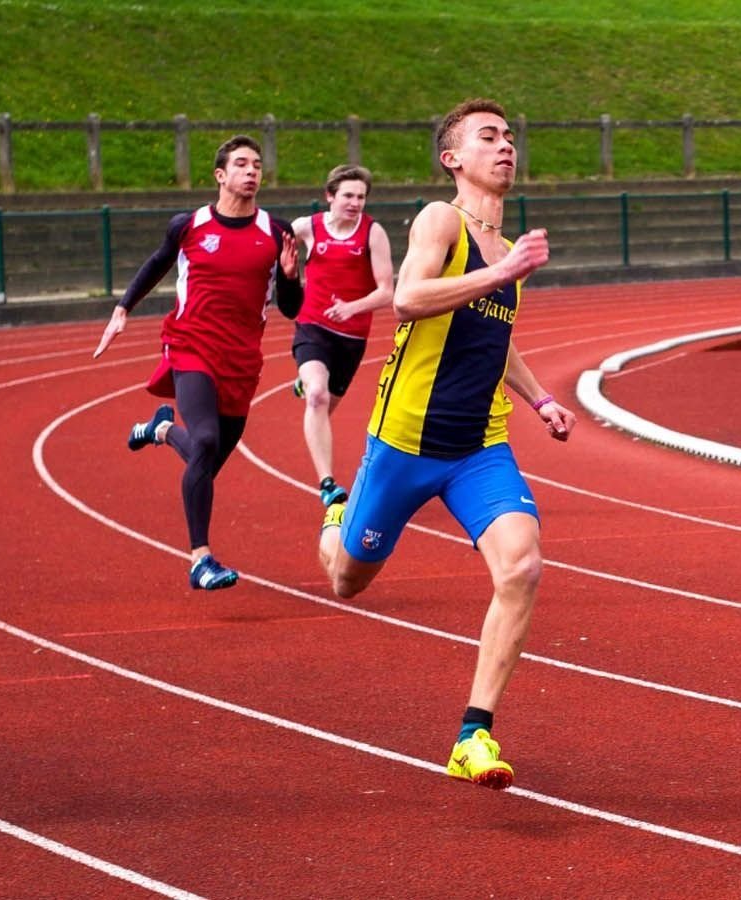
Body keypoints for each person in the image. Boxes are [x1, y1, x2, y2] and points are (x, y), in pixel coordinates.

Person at [316, 98, 575, 790]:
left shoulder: (503, 250)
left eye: (511, 136)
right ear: (452, 159)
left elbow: (498, 337)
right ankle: (336, 514)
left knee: (521, 567)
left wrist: (542, 397)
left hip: (478, 448)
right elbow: (408, 297)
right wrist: (503, 272)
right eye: (487, 137)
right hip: (403, 442)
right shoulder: (443, 221)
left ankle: (473, 734)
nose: (506, 146)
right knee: (346, 580)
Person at [92, 135, 302, 589]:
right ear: (221, 175)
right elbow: (157, 263)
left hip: (242, 358)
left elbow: (291, 307)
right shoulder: (189, 225)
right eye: (241, 164)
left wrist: (290, 277)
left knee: (206, 460)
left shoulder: (276, 230)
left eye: (257, 165)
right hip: (191, 345)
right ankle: (200, 559)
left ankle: (163, 430)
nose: (251, 172)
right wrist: (122, 309)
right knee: (205, 441)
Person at [289, 165, 394, 511]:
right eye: (348, 195)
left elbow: (386, 292)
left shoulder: (372, 233)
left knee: (325, 406)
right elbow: (275, 259)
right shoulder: (308, 227)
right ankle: (327, 484)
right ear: (330, 196)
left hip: (350, 337)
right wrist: (287, 275)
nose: (355, 203)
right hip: (313, 327)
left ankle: (306, 381)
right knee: (317, 397)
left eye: (361, 197)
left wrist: (353, 307)